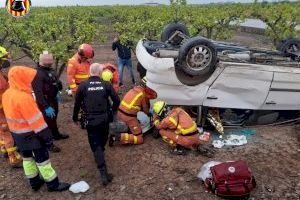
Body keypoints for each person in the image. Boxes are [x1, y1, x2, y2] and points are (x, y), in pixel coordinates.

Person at [2, 66, 70, 192]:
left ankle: (34, 182)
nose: (30, 82)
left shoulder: (6, 94)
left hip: (17, 135)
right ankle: (53, 184)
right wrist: (48, 138)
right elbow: (37, 122)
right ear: (21, 79)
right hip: (31, 135)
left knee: (27, 159)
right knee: (42, 160)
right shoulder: (24, 98)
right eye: (27, 79)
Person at [72, 63, 120, 186]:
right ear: (100, 73)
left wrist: (75, 118)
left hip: (91, 120)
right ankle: (101, 162)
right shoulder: (106, 84)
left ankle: (102, 170)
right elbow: (117, 100)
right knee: (102, 141)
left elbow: (77, 104)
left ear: (90, 72)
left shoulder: (83, 86)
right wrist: (111, 110)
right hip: (104, 119)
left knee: (96, 145)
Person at [32, 51, 69, 152]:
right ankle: (48, 144)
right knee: (46, 122)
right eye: (48, 61)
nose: (50, 63)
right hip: (45, 101)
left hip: (53, 98)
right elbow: (38, 92)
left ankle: (56, 135)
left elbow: (54, 81)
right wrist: (45, 106)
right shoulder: (38, 73)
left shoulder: (50, 70)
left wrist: (58, 86)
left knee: (53, 118)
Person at [109, 77, 157, 146]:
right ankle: (117, 137)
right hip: (128, 117)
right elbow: (145, 110)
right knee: (139, 139)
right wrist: (150, 113)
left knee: (133, 123)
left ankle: (126, 130)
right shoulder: (143, 94)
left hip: (120, 113)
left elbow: (136, 105)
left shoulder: (134, 89)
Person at [0, 46, 22, 167]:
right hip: (2, 110)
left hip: (3, 108)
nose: (5, 62)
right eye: (3, 59)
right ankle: (13, 159)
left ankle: (4, 150)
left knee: (2, 132)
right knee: (7, 132)